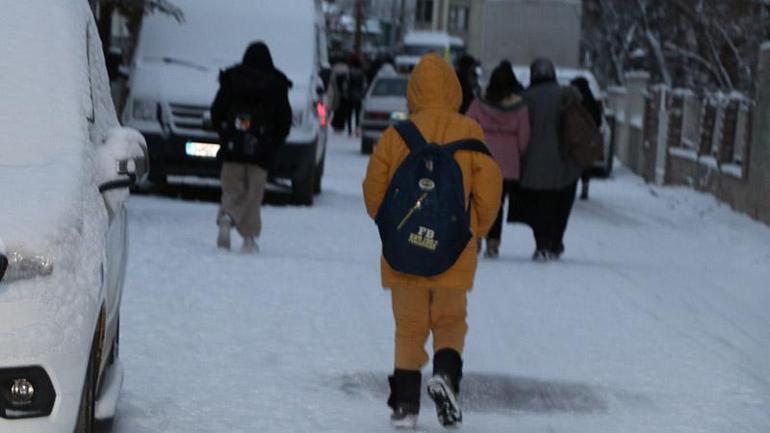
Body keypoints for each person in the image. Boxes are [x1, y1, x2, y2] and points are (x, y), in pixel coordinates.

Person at [363, 53, 502, 429]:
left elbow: (374, 189)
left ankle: (405, 405)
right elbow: (490, 187)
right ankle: (445, 375)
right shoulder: (470, 131)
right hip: (453, 250)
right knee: (450, 320)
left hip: (404, 251)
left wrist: (391, 225)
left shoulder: (397, 135)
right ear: (454, 90)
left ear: (414, 92)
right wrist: (477, 229)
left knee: (409, 327)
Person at [210, 41, 292, 253]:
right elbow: (284, 120)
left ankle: (227, 216)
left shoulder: (232, 78)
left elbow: (217, 111)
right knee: (253, 196)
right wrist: (274, 143)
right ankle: (248, 238)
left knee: (231, 190)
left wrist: (225, 133)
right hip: (261, 150)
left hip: (233, 147)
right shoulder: (276, 83)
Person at [514, 58, 582, 261]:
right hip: (565, 159)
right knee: (560, 203)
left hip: (533, 160)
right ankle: (556, 240)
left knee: (538, 204)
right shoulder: (566, 94)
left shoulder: (525, 98)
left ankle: (542, 242)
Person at [466, 60, 529, 258]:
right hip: (508, 162)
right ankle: (493, 242)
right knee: (498, 203)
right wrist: (519, 153)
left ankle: (477, 236)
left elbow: (467, 126)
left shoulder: (479, 102)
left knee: (479, 199)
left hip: (482, 157)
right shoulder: (519, 107)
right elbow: (524, 137)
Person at [570, 77, 603, 200]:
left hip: (574, 137)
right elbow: (598, 121)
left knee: (573, 163)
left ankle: (571, 187)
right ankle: (585, 186)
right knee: (585, 164)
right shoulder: (592, 101)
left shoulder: (574, 102)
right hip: (587, 138)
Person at [346, 55, 367, 136]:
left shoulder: (349, 72)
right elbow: (364, 85)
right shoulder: (362, 73)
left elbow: (346, 84)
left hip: (350, 96)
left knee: (349, 114)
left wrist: (346, 93)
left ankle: (349, 130)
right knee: (358, 115)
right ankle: (357, 130)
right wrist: (363, 94)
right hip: (358, 96)